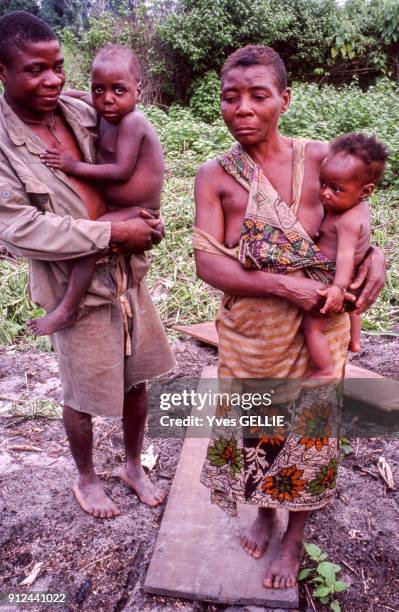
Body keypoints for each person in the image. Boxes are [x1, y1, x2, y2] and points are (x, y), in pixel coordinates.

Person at [193, 45, 386, 589]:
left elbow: (358, 212)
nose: (243, 109)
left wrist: (376, 258)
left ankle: (295, 535)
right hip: (253, 336)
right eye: (231, 97)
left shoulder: (321, 157)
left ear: (285, 99)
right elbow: (208, 262)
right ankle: (264, 510)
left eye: (259, 96)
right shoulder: (216, 176)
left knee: (311, 437)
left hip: (320, 329)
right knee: (258, 432)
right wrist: (284, 285)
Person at [0, 11, 175, 518]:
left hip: (126, 275)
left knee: (137, 381)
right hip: (77, 288)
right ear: (3, 72)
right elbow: (20, 227)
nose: (53, 79)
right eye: (36, 70)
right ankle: (86, 475)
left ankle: (133, 464)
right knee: (81, 394)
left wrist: (137, 224)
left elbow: (126, 144)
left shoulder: (78, 110)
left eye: (58, 67)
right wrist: (113, 231)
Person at [28, 43, 164, 336]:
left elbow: (120, 171)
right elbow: (79, 96)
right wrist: (59, 94)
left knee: (88, 240)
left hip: (138, 211)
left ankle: (67, 309)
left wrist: (71, 166)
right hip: (120, 209)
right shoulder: (104, 110)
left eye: (118, 90)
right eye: (98, 90)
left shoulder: (132, 122)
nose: (107, 100)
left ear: (137, 91)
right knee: (93, 238)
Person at [303, 133, 388, 379]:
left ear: (366, 191)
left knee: (311, 328)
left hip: (333, 278)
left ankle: (325, 369)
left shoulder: (349, 220)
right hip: (348, 281)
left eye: (336, 189)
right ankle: (355, 341)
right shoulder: (355, 206)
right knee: (354, 309)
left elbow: (345, 256)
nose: (325, 193)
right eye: (323, 184)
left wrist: (338, 288)